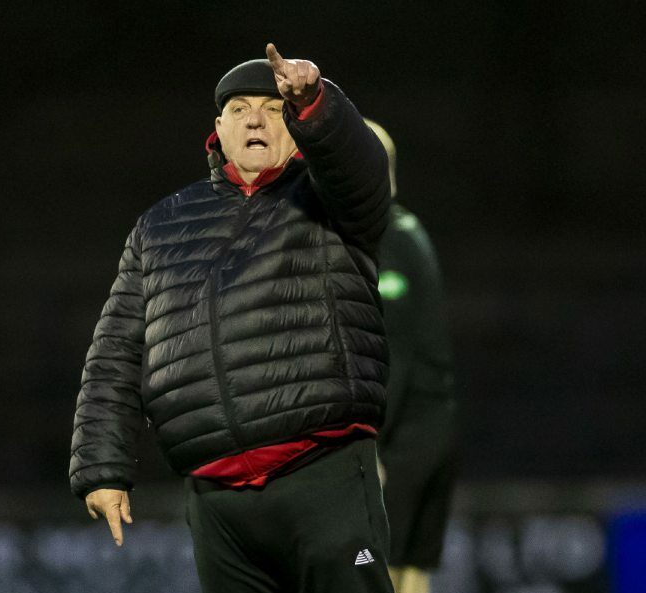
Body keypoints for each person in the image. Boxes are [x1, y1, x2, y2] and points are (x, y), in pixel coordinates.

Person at [70, 43, 395, 593]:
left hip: (321, 471)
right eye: (240, 108)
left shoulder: (326, 198)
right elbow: (117, 350)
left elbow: (360, 169)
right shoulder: (159, 227)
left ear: (294, 127)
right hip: (217, 499)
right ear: (217, 129)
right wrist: (102, 465)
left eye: (272, 108)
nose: (256, 120)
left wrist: (316, 102)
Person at [364, 120, 458, 593]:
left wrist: (371, 445)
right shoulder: (407, 230)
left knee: (382, 572)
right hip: (431, 430)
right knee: (409, 575)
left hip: (407, 439)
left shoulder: (390, 242)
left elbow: (395, 353)